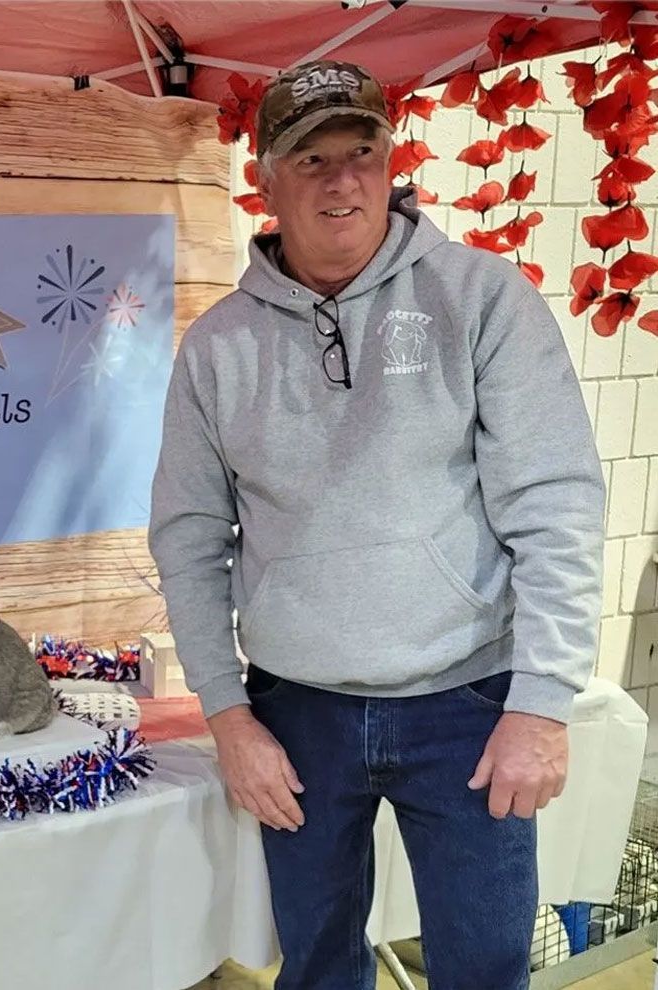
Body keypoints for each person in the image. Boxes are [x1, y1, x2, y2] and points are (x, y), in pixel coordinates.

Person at [147, 59, 605, 989]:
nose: (342, 179)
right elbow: (188, 539)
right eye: (310, 158)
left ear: (390, 163)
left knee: (483, 967)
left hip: (469, 706)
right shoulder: (219, 347)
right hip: (294, 711)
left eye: (362, 152)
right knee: (314, 967)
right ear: (265, 179)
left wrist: (542, 704)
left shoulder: (481, 299)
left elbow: (556, 506)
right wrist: (229, 717)